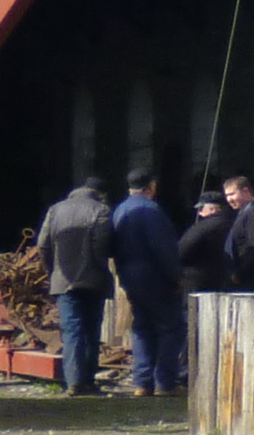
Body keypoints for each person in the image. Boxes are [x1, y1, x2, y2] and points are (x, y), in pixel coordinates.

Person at [37, 175, 115, 397]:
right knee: (91, 331)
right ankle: (88, 381)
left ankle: (73, 383)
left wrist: (53, 270)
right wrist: (96, 268)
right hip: (93, 280)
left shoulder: (55, 210)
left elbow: (42, 245)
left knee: (72, 332)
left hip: (63, 281)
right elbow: (102, 247)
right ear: (101, 194)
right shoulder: (101, 210)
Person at [112, 167, 186, 396]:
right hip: (155, 278)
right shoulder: (151, 211)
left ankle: (142, 383)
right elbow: (163, 249)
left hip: (129, 277)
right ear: (151, 187)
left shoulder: (119, 210)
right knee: (170, 328)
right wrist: (176, 277)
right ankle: (165, 383)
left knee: (142, 327)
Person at [221, 172, 254, 292]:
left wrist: (239, 275)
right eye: (227, 195)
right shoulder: (244, 212)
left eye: (232, 194)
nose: (229, 199)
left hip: (249, 283)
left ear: (245, 191)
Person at [175, 190, 232, 296]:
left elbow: (182, 250)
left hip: (197, 281)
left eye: (201, 208)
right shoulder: (231, 224)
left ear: (213, 209)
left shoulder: (204, 227)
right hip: (221, 280)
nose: (199, 212)